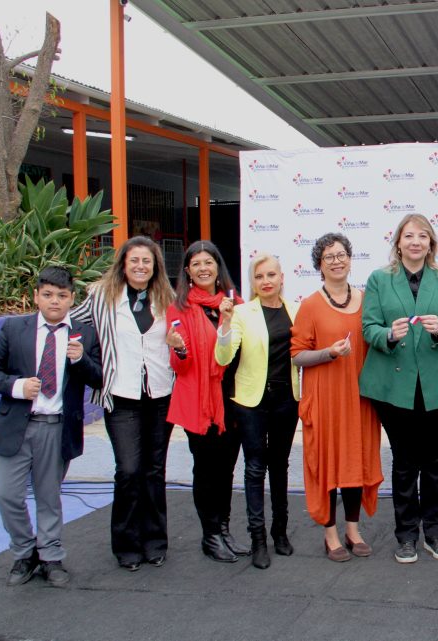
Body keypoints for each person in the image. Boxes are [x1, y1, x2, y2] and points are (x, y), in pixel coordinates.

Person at [359, 214, 438, 564]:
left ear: (431, 243)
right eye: (409, 236)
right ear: (398, 242)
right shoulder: (380, 278)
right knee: (406, 463)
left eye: (422, 236)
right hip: (395, 387)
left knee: (434, 463)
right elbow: (368, 328)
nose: (415, 242)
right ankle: (406, 536)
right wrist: (388, 335)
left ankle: (435, 534)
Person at [0, 267, 102, 587]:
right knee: (5, 492)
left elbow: (99, 378)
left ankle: (51, 556)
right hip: (16, 425)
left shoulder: (84, 333)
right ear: (36, 296)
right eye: (48, 295)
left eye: (62, 296)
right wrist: (16, 386)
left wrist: (82, 360)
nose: (55, 301)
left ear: (72, 299)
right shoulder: (15, 329)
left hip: (57, 428)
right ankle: (25, 551)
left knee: (49, 497)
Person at [70, 236, 176, 571]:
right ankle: (127, 544)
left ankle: (155, 541)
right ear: (123, 264)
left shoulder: (167, 296)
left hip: (160, 395)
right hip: (121, 396)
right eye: (134, 261)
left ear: (155, 265)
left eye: (147, 261)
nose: (141, 267)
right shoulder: (101, 296)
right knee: (129, 470)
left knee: (154, 471)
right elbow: (73, 322)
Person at [291, 233, 383, 563]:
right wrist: (327, 353)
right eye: (329, 257)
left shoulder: (367, 300)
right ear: (319, 264)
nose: (336, 261)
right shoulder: (311, 305)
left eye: (341, 254)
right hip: (326, 399)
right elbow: (297, 355)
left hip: (360, 399)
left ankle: (353, 530)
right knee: (329, 465)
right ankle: (330, 535)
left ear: (350, 258)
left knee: (355, 462)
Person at [215, 253, 299, 569]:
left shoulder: (296, 310)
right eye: (259, 276)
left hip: (287, 400)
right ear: (253, 282)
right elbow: (223, 357)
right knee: (254, 468)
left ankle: (280, 532)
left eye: (271, 275)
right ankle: (258, 538)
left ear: (281, 278)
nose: (266, 281)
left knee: (280, 465)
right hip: (250, 402)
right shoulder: (240, 313)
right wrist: (223, 324)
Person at [166, 240, 247, 563]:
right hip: (199, 401)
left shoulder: (236, 303)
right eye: (196, 264)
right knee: (206, 469)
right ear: (187, 270)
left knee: (227, 468)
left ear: (218, 267)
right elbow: (180, 365)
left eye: (208, 262)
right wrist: (179, 349)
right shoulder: (180, 308)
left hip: (233, 399)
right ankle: (210, 535)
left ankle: (224, 529)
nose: (203, 268)